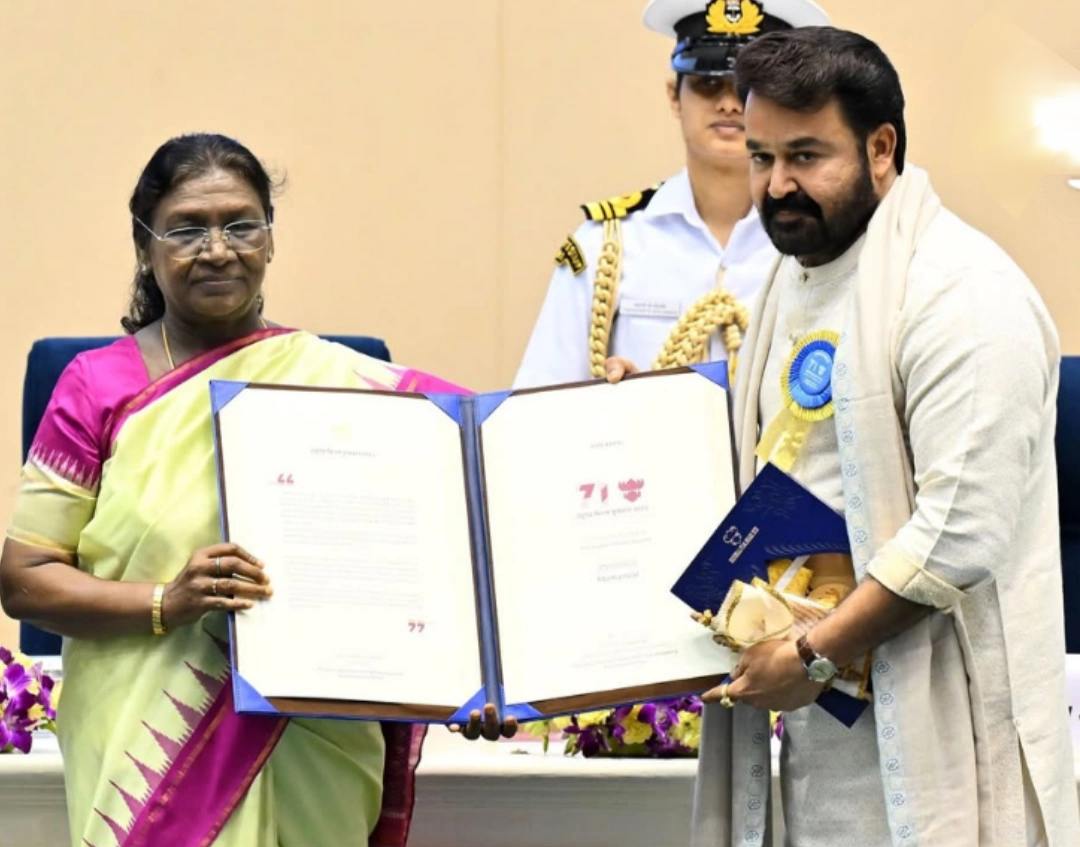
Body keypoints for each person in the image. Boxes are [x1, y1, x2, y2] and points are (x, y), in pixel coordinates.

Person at [0, 133, 507, 847]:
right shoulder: (96, 387)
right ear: (145, 246)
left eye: (240, 224)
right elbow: (25, 579)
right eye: (186, 229)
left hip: (316, 744)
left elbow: (503, 463)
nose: (217, 249)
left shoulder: (350, 385)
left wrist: (484, 674)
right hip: (146, 748)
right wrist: (165, 602)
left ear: (270, 237)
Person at [676, 26, 1079, 847]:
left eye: (805, 155)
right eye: (761, 158)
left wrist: (815, 652)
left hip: (949, 735)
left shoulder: (961, 291)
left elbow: (957, 534)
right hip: (823, 738)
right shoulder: (796, 279)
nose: (777, 186)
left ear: (881, 147)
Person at [514, 0, 829, 389]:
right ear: (673, 96)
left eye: (746, 89)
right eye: (707, 83)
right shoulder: (606, 244)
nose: (728, 103)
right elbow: (539, 402)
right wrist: (607, 400)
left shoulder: (820, 241)